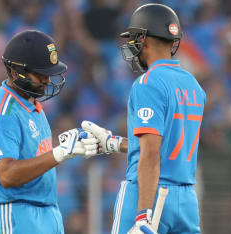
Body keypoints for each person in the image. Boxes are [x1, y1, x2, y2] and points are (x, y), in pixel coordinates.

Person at [81, 4, 206, 234]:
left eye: (134, 39)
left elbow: (150, 153)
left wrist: (143, 215)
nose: (131, 45)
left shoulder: (148, 83)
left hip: (149, 193)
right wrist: (114, 143)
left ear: (144, 40)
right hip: (186, 199)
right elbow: (167, 143)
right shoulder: (194, 86)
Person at [0, 30, 98, 234]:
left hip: (45, 212)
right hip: (14, 213)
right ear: (15, 72)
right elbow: (6, 175)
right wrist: (60, 153)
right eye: (40, 74)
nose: (48, 80)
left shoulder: (31, 104)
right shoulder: (3, 111)